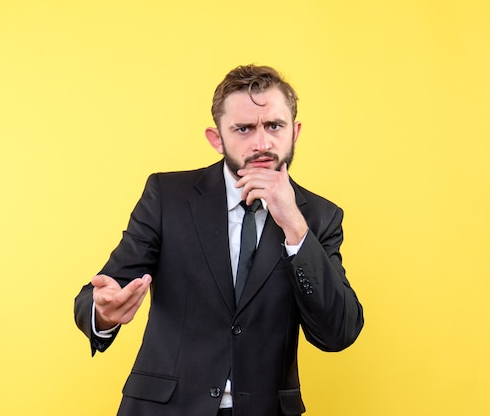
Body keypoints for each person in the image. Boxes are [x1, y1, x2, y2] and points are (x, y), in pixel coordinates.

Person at [73, 64, 364, 416]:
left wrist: (295, 228)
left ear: (295, 132)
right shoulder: (168, 197)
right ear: (217, 139)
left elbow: (339, 332)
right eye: (243, 129)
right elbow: (104, 289)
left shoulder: (319, 217)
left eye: (274, 126)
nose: (262, 143)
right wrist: (102, 312)